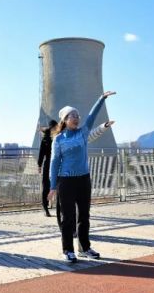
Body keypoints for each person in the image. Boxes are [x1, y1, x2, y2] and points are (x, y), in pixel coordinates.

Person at [48, 91, 116, 263]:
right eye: (73, 116)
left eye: (77, 116)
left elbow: (92, 116)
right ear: (65, 119)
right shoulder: (58, 139)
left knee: (84, 216)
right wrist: (52, 186)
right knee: (68, 218)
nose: (76, 118)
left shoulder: (83, 132)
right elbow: (54, 163)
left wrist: (101, 98)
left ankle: (85, 248)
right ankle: (68, 250)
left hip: (84, 180)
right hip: (66, 181)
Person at [37, 120, 58, 217]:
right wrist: (39, 165)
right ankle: (45, 208)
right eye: (55, 127)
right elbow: (41, 153)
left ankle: (60, 208)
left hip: (56, 164)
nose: (56, 129)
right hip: (49, 165)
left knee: (58, 186)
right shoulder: (45, 139)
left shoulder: (58, 137)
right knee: (46, 186)